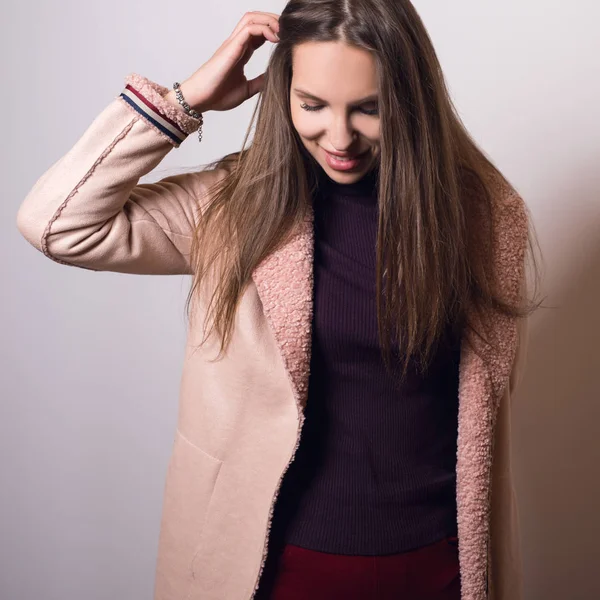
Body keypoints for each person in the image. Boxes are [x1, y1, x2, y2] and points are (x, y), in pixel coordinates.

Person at [16, 1, 542, 599]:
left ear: (409, 98)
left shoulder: (483, 216)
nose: (338, 137)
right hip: (274, 570)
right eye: (312, 105)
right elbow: (54, 223)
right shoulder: (234, 209)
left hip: (438, 566)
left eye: (368, 108)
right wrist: (185, 101)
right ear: (282, 91)